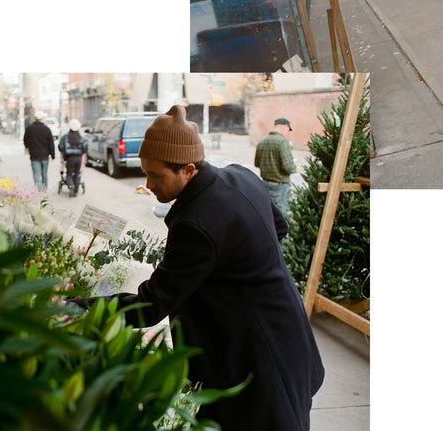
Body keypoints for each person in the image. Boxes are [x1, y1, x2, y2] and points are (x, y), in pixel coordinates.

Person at [69, 105, 324, 431]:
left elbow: (151, 306)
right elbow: (279, 228)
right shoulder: (239, 176)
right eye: (145, 172)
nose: (148, 184)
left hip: (256, 356)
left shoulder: (197, 223)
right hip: (288, 331)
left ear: (188, 170)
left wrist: (77, 309)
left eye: (156, 175)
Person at [254, 117, 297, 218]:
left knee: (268, 215)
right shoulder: (283, 142)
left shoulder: (262, 141)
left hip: (264, 184)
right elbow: (289, 167)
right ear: (284, 127)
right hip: (280, 186)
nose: (287, 132)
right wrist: (296, 168)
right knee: (282, 216)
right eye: (288, 129)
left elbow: (257, 163)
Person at [22, 111, 55, 191]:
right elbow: (51, 143)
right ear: (42, 119)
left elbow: (25, 139)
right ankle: (44, 190)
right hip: (45, 156)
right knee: (44, 174)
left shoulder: (29, 129)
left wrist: (27, 147)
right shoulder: (46, 129)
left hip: (34, 155)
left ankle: (39, 190)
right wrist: (53, 155)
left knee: (36, 174)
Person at [58, 119, 88, 197]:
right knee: (77, 173)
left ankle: (70, 185)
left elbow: (60, 146)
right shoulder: (82, 138)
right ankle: (76, 191)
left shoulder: (65, 137)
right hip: (78, 158)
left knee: (69, 173)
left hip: (69, 158)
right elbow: (85, 148)